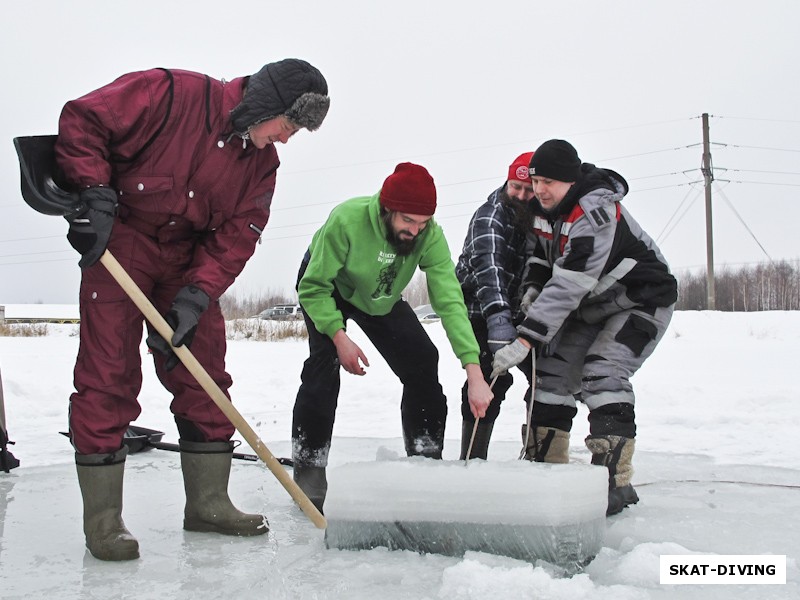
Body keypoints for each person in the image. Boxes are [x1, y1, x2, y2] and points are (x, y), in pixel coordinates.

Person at [53, 59, 330, 560]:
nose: (287, 139)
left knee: (205, 373)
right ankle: (104, 520)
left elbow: (239, 233)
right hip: (122, 242)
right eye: (288, 126)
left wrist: (198, 293)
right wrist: (93, 192)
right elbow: (83, 119)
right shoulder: (171, 94)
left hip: (187, 260)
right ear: (266, 105)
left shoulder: (261, 165)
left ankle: (208, 502)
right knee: (108, 374)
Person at [291, 162, 494, 511]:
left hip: (379, 297)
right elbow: (312, 287)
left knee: (423, 361)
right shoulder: (347, 221)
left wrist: (474, 372)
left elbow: (449, 300)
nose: (414, 231)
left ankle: (425, 458)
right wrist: (340, 337)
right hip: (329, 288)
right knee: (323, 366)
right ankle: (309, 468)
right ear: (387, 210)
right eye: (407, 221)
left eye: (422, 223)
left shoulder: (430, 236)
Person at [491, 139, 677, 515]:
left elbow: (569, 284)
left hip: (640, 300)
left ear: (571, 181)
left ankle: (612, 482)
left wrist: (527, 337)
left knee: (603, 373)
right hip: (591, 307)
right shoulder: (542, 209)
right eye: (537, 180)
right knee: (552, 376)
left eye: (549, 182)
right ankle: (543, 469)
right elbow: (541, 259)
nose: (540, 189)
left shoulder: (595, 216)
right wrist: (530, 289)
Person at [454, 152, 540, 460]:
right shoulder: (491, 215)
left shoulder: (534, 219)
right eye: (516, 187)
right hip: (479, 309)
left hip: (517, 310)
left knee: (543, 376)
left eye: (528, 190)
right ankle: (472, 457)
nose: (521, 195)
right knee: (493, 375)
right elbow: (490, 273)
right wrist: (499, 326)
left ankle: (539, 453)